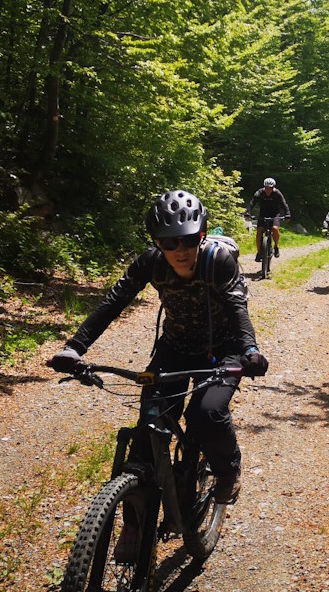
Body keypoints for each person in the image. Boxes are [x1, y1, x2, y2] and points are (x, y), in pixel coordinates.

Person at [47, 189, 268, 562]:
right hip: (176, 346)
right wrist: (75, 348)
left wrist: (249, 351)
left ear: (202, 235)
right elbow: (113, 301)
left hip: (224, 350)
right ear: (156, 243)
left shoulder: (219, 262)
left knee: (206, 411)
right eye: (168, 242)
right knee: (148, 434)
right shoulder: (152, 263)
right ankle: (134, 522)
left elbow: (237, 307)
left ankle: (228, 469)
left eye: (188, 239)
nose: (179, 250)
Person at [244, 177, 291, 262]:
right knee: (259, 231)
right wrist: (248, 212)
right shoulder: (259, 193)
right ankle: (258, 253)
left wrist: (287, 214)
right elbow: (252, 203)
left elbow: (284, 204)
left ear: (273, 188)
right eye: (266, 188)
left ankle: (276, 246)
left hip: (275, 214)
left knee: (275, 229)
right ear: (264, 187)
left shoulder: (277, 193)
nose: (268, 190)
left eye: (270, 188)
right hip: (263, 214)